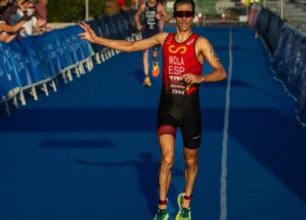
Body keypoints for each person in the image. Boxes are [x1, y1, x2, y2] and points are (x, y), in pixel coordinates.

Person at [79, 0, 227, 219]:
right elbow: (130, 47)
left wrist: (201, 77)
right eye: (181, 13)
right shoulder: (163, 39)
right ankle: (162, 208)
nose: (184, 18)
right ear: (174, 15)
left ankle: (186, 203)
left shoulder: (201, 43)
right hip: (167, 108)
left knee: (190, 162)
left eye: (188, 14)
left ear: (193, 16)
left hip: (190, 112)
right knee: (167, 159)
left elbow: (221, 72)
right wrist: (97, 39)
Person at [134, 0, 169, 87]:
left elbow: (167, 18)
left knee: (155, 52)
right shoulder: (143, 6)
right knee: (145, 54)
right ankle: (146, 78)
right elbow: (136, 16)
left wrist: (160, 17)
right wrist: (137, 24)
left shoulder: (159, 6)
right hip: (146, 33)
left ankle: (155, 62)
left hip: (156, 34)